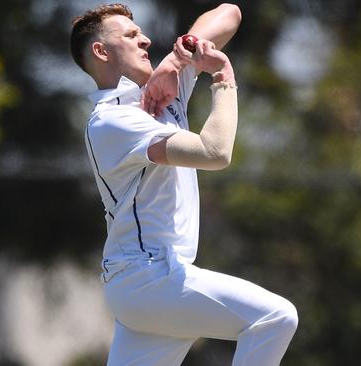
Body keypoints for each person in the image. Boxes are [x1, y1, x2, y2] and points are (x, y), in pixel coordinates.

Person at [69, 3, 298, 365]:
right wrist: (222, 74)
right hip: (149, 278)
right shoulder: (111, 121)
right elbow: (214, 152)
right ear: (101, 51)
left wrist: (177, 59)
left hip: (148, 283)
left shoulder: (161, 91)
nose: (144, 39)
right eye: (129, 35)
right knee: (274, 318)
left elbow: (229, 14)